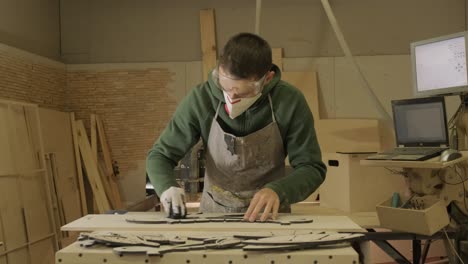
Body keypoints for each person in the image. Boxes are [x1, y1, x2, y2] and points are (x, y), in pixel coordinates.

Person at [146, 32, 326, 222]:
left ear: (267, 78)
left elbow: (312, 168)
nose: (231, 98)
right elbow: (160, 155)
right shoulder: (201, 99)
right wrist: (166, 186)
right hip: (214, 215)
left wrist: (279, 190)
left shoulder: (289, 102)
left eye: (243, 92)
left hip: (270, 215)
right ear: (220, 70)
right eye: (225, 88)